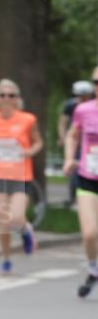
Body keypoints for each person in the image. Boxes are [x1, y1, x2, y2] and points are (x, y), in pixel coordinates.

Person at [0, 79, 44, 274]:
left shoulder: (28, 119)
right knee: (4, 223)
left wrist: (30, 151)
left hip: (21, 176)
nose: (6, 98)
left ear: (17, 99)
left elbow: (38, 142)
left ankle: (25, 230)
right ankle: (6, 259)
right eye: (2, 95)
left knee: (16, 217)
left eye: (11, 95)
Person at [63, 66, 98, 298]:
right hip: (88, 178)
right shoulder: (83, 110)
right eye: (96, 82)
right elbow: (72, 135)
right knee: (89, 234)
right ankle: (94, 267)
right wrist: (68, 158)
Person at [58, 81, 94, 206]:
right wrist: (63, 138)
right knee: (75, 171)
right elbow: (62, 123)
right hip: (75, 143)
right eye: (79, 96)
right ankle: (74, 198)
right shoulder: (70, 105)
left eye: (85, 96)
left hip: (90, 144)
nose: (82, 99)